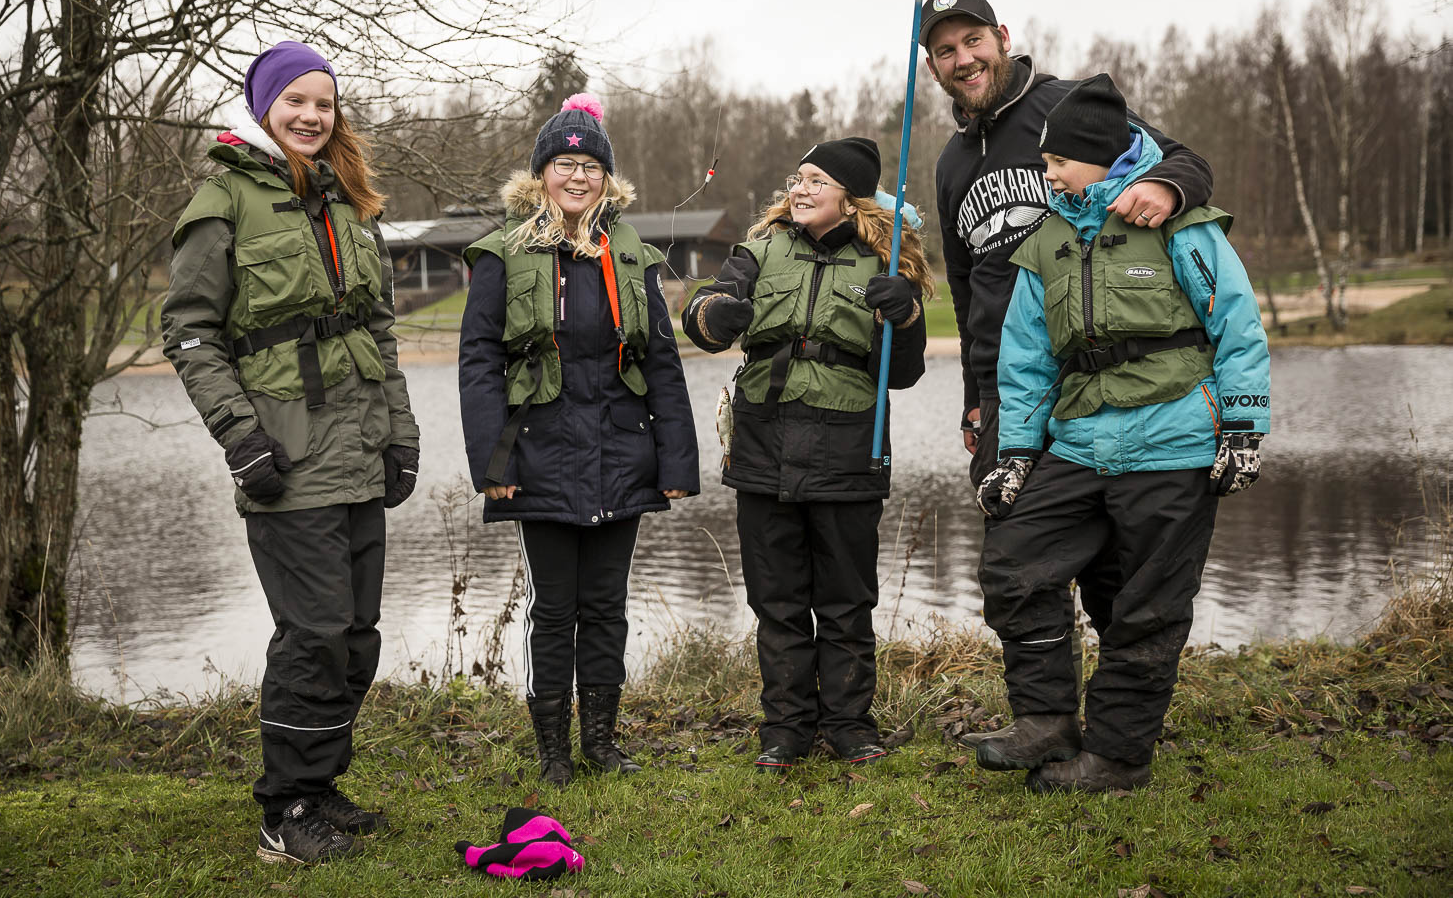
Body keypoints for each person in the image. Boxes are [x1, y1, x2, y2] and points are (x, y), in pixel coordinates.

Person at [970, 74, 1271, 792]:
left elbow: (1237, 325)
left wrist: (1243, 426)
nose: (1045, 176)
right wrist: (1016, 453)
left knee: (1146, 607)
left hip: (1173, 442)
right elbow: (1026, 357)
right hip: (1078, 442)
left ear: (1101, 158)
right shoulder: (1046, 240)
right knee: (1014, 565)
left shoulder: (1179, 223)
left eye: (1056, 164)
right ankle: (1045, 719)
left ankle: (1117, 757)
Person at [162, 40, 420, 863]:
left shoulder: (346, 203)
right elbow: (190, 333)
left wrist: (401, 435)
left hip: (359, 453)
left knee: (357, 635)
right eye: (295, 102)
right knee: (311, 635)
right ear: (264, 106)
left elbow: (378, 331)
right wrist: (241, 439)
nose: (312, 116)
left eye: (324, 103)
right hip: (287, 458)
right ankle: (283, 810)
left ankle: (321, 786)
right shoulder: (223, 200)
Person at [459, 94, 700, 787]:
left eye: (589, 165)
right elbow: (479, 363)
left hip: (622, 455)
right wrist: (491, 465)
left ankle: (600, 742)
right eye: (564, 163)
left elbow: (660, 360)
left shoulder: (630, 257)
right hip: (537, 457)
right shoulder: (502, 254)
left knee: (607, 606)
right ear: (541, 175)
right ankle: (553, 752)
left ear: (606, 178)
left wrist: (675, 460)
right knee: (553, 609)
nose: (576, 176)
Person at [681, 137, 933, 772]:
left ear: (850, 197)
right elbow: (702, 314)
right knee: (778, 599)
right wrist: (715, 312)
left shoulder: (887, 259)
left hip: (848, 447)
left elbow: (901, 374)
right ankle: (785, 726)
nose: (800, 189)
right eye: (797, 178)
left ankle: (849, 723)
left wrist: (906, 317)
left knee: (846, 600)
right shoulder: (760, 249)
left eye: (816, 181)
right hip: (763, 445)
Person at [920, 0, 1215, 490]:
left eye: (974, 41)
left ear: (1003, 38)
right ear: (933, 68)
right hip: (1008, 398)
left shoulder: (1068, 106)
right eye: (946, 51)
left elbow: (1184, 161)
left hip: (1090, 377)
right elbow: (966, 291)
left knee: (1110, 563)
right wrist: (975, 394)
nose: (964, 60)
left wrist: (1164, 186)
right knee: (1011, 559)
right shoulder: (951, 164)